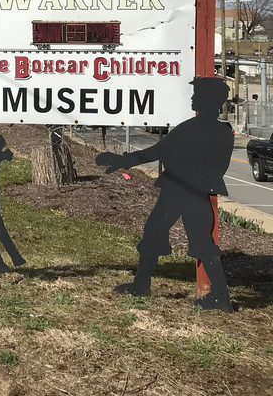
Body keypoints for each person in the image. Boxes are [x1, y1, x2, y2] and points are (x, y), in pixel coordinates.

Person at [95, 77, 234, 312]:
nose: (192, 98)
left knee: (161, 232)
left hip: (181, 190)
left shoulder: (194, 128)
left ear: (209, 100)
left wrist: (123, 161)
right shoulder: (221, 131)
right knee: (189, 238)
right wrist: (124, 161)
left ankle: (143, 285)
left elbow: (158, 151)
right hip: (193, 191)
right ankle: (219, 296)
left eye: (197, 95)